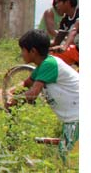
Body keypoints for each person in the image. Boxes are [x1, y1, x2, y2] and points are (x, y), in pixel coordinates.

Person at [10, 29, 79, 160]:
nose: (21, 54)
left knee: (68, 161)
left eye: (23, 50)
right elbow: (26, 83)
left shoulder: (49, 64)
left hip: (77, 118)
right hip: (73, 118)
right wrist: (11, 91)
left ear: (33, 51)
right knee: (66, 158)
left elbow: (33, 94)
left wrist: (15, 99)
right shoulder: (43, 65)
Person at [50, 0, 78, 66]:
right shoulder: (65, 20)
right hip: (76, 51)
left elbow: (74, 30)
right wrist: (39, 45)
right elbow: (56, 42)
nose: (56, 6)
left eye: (58, 3)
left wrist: (65, 46)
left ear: (67, 2)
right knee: (51, 57)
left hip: (76, 50)